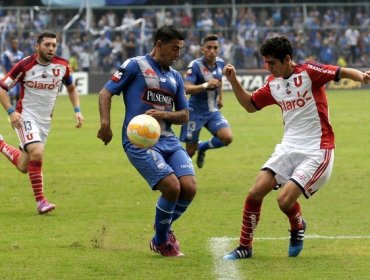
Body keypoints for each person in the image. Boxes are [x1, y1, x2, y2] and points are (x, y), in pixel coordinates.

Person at [222, 35, 370, 260]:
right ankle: (245, 246)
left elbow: (342, 72)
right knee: (255, 192)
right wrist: (234, 81)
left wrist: (363, 76)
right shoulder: (273, 83)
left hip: (317, 150)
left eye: (272, 63)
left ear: (287, 59)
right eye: (266, 62)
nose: (268, 68)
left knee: (284, 200)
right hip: (288, 147)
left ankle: (297, 225)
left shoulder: (309, 72)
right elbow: (251, 106)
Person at [97, 25, 196, 257]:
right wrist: (105, 124)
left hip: (169, 140)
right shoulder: (135, 65)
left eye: (180, 49)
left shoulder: (175, 78)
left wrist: (164, 115)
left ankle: (162, 228)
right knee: (172, 187)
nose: (177, 54)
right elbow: (106, 92)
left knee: (189, 188)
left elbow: (184, 115)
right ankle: (161, 242)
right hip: (139, 141)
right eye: (174, 49)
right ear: (159, 44)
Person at [0, 31, 84, 214]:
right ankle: (41, 202)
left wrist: (77, 110)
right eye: (47, 44)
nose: (51, 48)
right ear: (37, 47)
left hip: (45, 121)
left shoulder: (62, 66)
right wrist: (11, 112)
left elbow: (71, 88)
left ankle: (0, 144)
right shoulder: (25, 65)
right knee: (37, 152)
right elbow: (2, 88)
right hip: (25, 116)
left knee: (24, 165)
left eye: (54, 45)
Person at [179, 34, 233, 168]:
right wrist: (205, 85)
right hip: (194, 112)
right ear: (202, 49)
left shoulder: (220, 63)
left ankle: (202, 147)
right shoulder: (195, 65)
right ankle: (179, 176)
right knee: (190, 152)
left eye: (215, 48)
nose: (212, 51)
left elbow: (219, 81)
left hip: (212, 111)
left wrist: (220, 98)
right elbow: (186, 88)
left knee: (227, 138)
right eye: (209, 48)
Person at [1, 37, 24, 107]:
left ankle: (16, 109)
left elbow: (23, 65)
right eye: (14, 43)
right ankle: (10, 110)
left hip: (18, 77)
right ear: (11, 44)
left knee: (18, 94)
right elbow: (4, 65)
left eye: (16, 43)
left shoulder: (21, 54)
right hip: (10, 76)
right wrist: (5, 75)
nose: (15, 45)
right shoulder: (6, 54)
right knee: (11, 93)